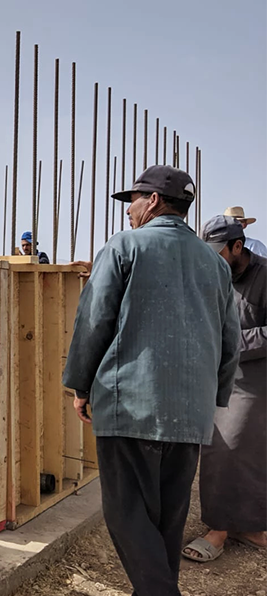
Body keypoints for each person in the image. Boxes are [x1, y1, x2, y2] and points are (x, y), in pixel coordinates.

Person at [62, 165, 241, 596]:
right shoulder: (215, 264)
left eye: (133, 201)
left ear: (154, 201)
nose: (129, 211)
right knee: (167, 519)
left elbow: (93, 322)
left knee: (125, 512)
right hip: (190, 414)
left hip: (132, 406)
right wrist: (213, 395)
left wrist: (81, 386)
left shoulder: (125, 247)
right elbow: (229, 338)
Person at [182, 215, 267, 562]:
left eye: (219, 253)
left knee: (232, 447)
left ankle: (223, 530)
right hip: (218, 376)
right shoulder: (211, 274)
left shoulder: (265, 275)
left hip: (254, 376)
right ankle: (241, 526)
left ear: (237, 246)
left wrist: (230, 342)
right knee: (224, 449)